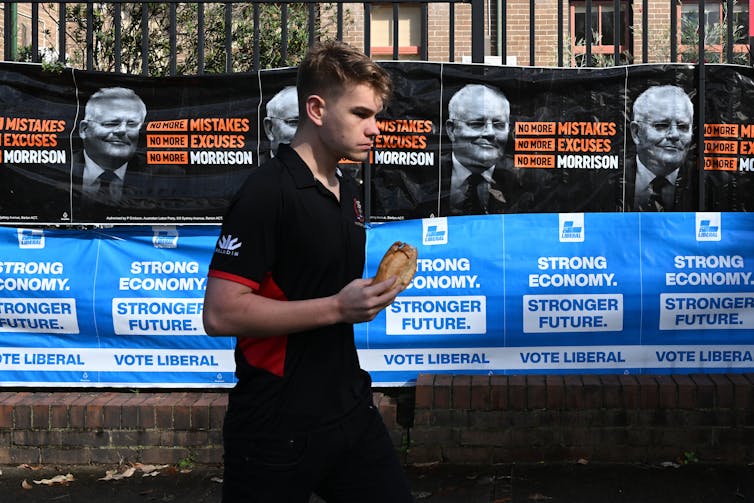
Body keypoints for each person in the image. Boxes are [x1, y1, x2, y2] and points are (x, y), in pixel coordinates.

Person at [202, 41, 414, 503]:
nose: (374, 129)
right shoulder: (266, 193)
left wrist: (368, 299)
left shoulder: (349, 191)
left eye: (376, 115)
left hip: (350, 411)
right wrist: (339, 307)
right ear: (316, 109)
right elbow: (220, 314)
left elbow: (320, 291)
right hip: (276, 426)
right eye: (361, 114)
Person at [440, 83, 557, 215]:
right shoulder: (426, 176)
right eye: (477, 124)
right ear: (451, 130)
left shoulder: (532, 182)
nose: (490, 133)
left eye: (499, 125)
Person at [625, 85, 696, 211]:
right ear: (636, 133)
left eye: (683, 127)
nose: (674, 135)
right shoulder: (607, 180)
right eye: (662, 125)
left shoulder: (706, 181)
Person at [262, 85, 299, 157]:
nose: (307, 132)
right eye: (295, 122)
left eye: (313, 124)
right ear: (269, 129)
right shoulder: (251, 167)